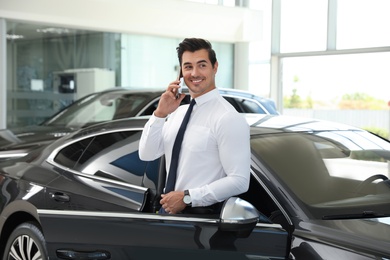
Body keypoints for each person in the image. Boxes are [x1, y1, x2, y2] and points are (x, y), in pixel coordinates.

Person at [138, 38, 250, 214]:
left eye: (202, 65)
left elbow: (239, 180)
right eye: (188, 66)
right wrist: (160, 114)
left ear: (215, 67)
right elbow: (147, 153)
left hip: (200, 220)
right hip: (167, 214)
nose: (195, 73)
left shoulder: (227, 118)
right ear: (181, 73)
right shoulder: (177, 113)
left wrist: (188, 197)